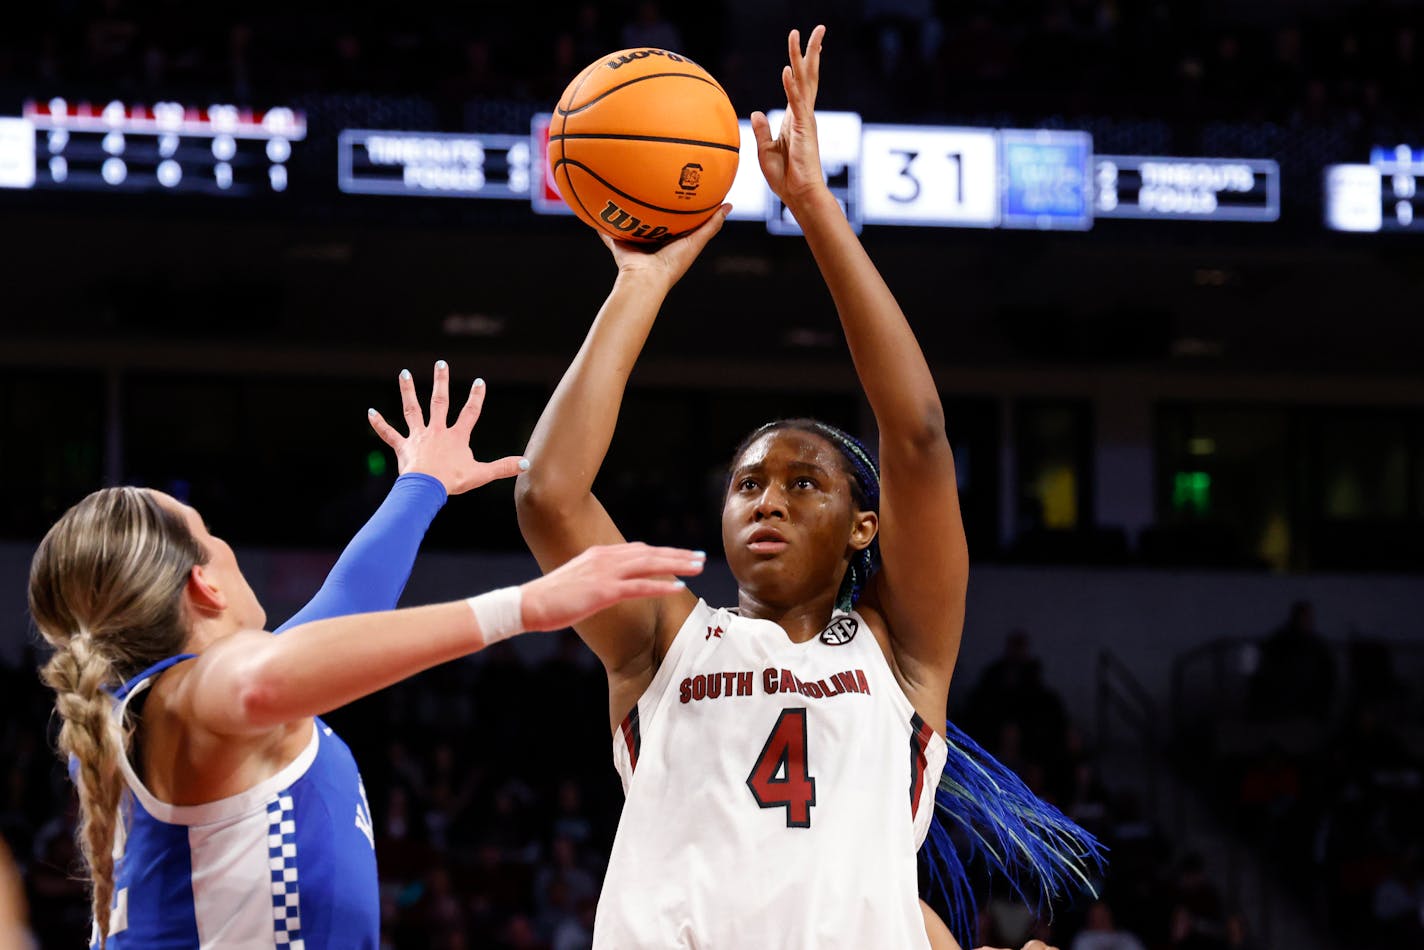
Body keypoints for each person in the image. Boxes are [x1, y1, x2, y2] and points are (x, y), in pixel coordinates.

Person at [516, 25, 1098, 950]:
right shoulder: (664, 636)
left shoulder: (901, 653)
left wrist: (815, 209)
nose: (767, 500)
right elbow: (548, 494)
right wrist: (643, 279)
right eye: (746, 484)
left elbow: (916, 437)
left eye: (801, 483)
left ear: (866, 525)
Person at [31, 362, 706, 949]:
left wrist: (422, 484)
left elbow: (348, 604)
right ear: (202, 584)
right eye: (210, 534)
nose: (224, 545)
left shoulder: (164, 712)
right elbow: (260, 680)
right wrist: (525, 606)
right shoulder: (193, 698)